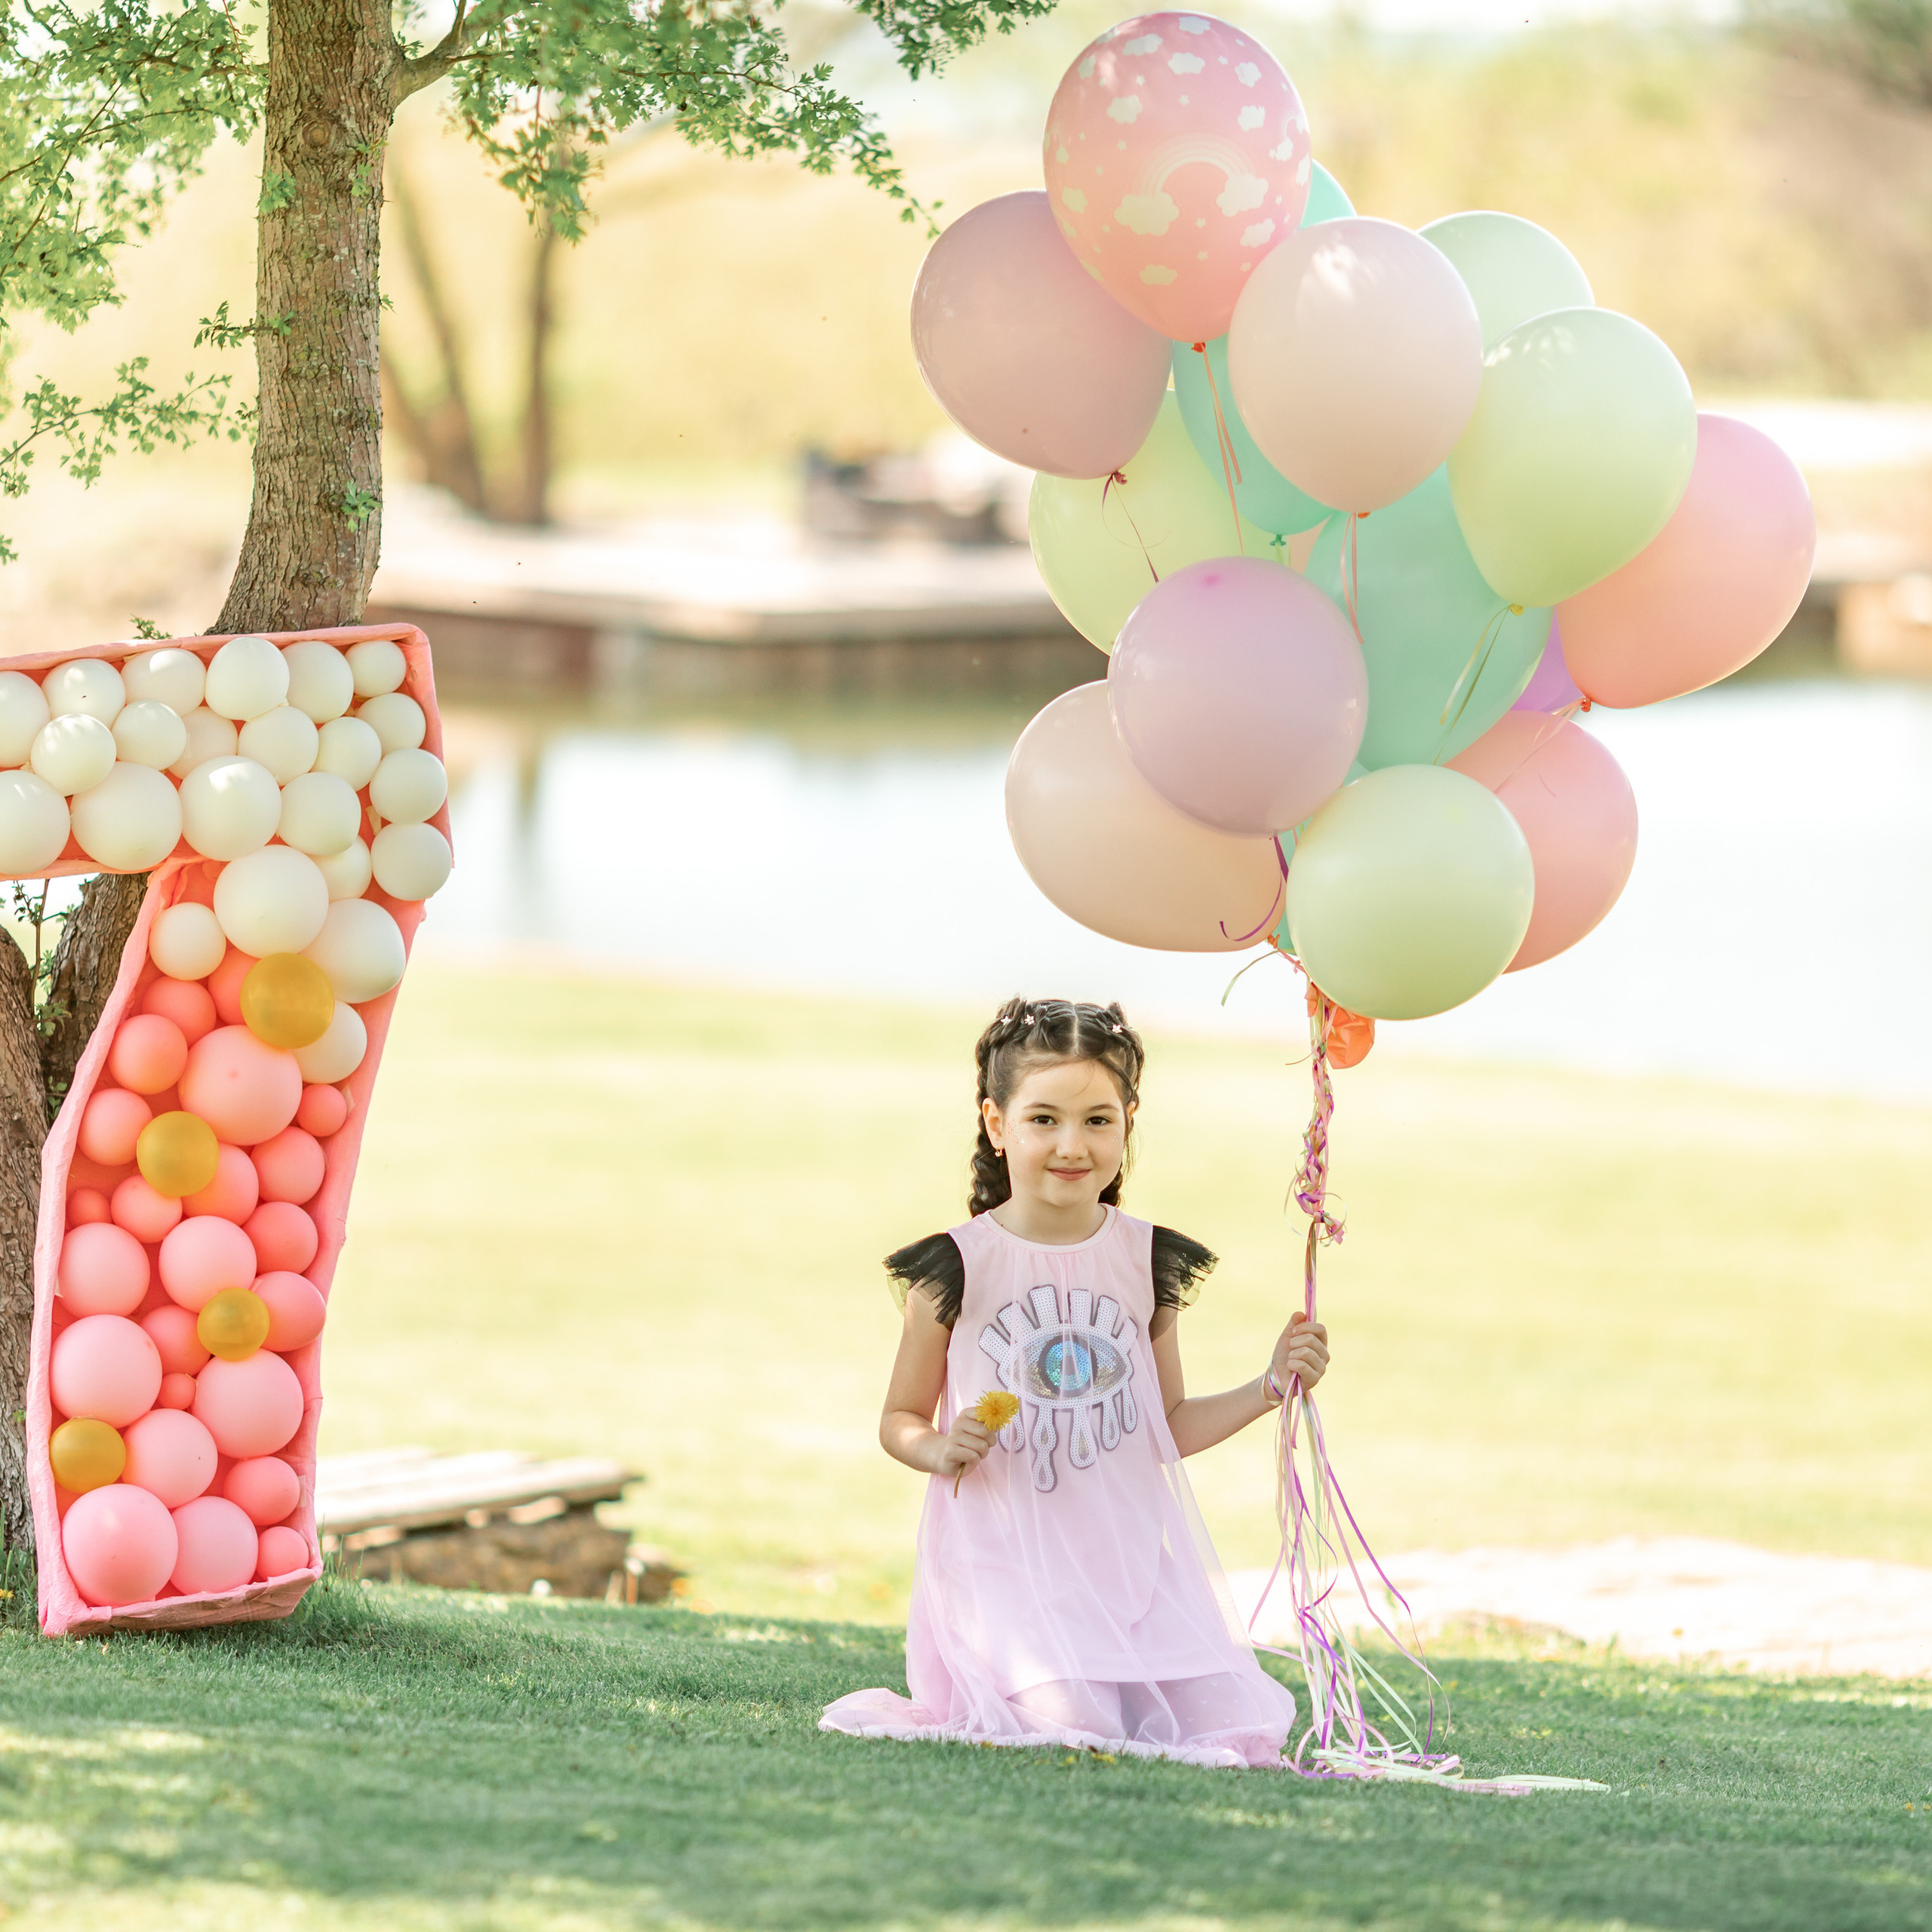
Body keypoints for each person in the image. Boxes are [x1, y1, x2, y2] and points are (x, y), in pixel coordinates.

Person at [820, 996, 1330, 1768]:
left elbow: (1168, 1425)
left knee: (1226, 1721)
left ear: (1128, 1122)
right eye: (1043, 1119)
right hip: (1009, 1575)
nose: (1071, 1143)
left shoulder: (1145, 1260)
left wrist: (1269, 1386)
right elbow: (898, 1416)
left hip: (1123, 1564)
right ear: (997, 1125)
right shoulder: (955, 1267)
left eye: (1098, 1120)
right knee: (1073, 1724)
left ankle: (1117, 1658)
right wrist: (938, 1447)